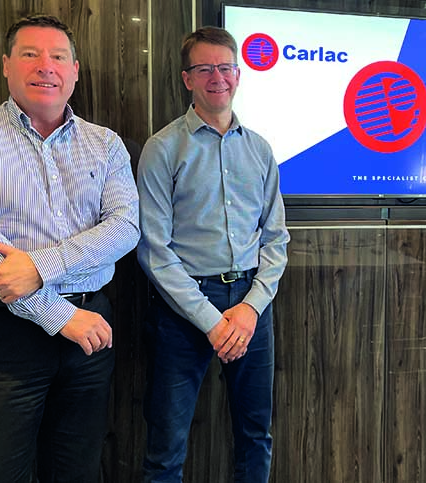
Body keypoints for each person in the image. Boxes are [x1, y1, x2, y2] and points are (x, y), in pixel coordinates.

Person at [0, 14, 140, 483]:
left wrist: (40, 267)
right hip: (2, 333)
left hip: (90, 328)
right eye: (30, 54)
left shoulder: (105, 144)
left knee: (78, 470)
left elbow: (124, 228)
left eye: (58, 56)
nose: (46, 66)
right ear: (6, 65)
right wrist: (59, 315)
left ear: (75, 70)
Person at [136, 26, 290, 483]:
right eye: (204, 69)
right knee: (166, 445)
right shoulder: (163, 149)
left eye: (225, 67)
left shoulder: (260, 149)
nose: (217, 77)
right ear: (187, 79)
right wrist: (211, 320)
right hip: (182, 311)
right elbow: (153, 249)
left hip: (250, 305)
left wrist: (250, 308)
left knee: (255, 435)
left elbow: (275, 239)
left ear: (238, 75)